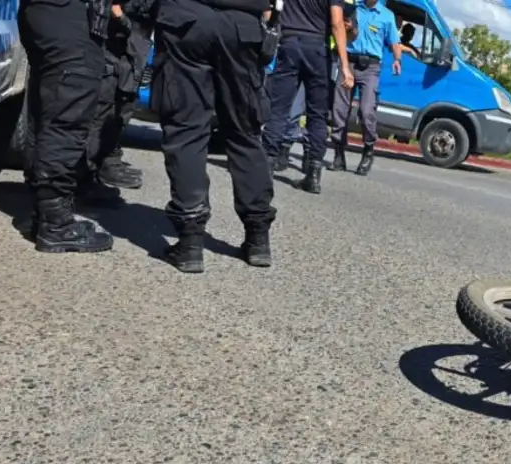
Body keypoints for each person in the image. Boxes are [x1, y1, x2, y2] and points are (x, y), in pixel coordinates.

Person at [152, 0, 277, 272]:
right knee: (244, 132)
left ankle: (190, 241)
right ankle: (257, 238)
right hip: (242, 25)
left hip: (187, 19)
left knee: (186, 128)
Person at [18, 0, 115, 253]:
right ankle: (55, 223)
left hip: (47, 14)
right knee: (67, 117)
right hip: (69, 17)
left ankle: (44, 213)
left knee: (48, 114)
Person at [260, 0, 355, 194]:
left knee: (278, 109)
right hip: (318, 49)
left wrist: (275, 30)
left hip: (290, 43)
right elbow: (337, 23)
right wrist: (345, 65)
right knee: (317, 114)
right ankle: (313, 175)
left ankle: (266, 167)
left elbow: (268, 9)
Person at [87, 0, 156, 190]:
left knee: (124, 100)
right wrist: (116, 11)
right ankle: (87, 172)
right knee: (105, 101)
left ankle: (106, 159)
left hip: (138, 27)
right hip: (118, 28)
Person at [326, 0, 400, 176]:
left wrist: (397, 60)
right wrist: (348, 28)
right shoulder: (352, 8)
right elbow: (337, 28)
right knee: (339, 110)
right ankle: (338, 154)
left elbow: (394, 42)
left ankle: (368, 151)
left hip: (371, 68)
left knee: (367, 111)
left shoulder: (386, 16)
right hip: (349, 62)